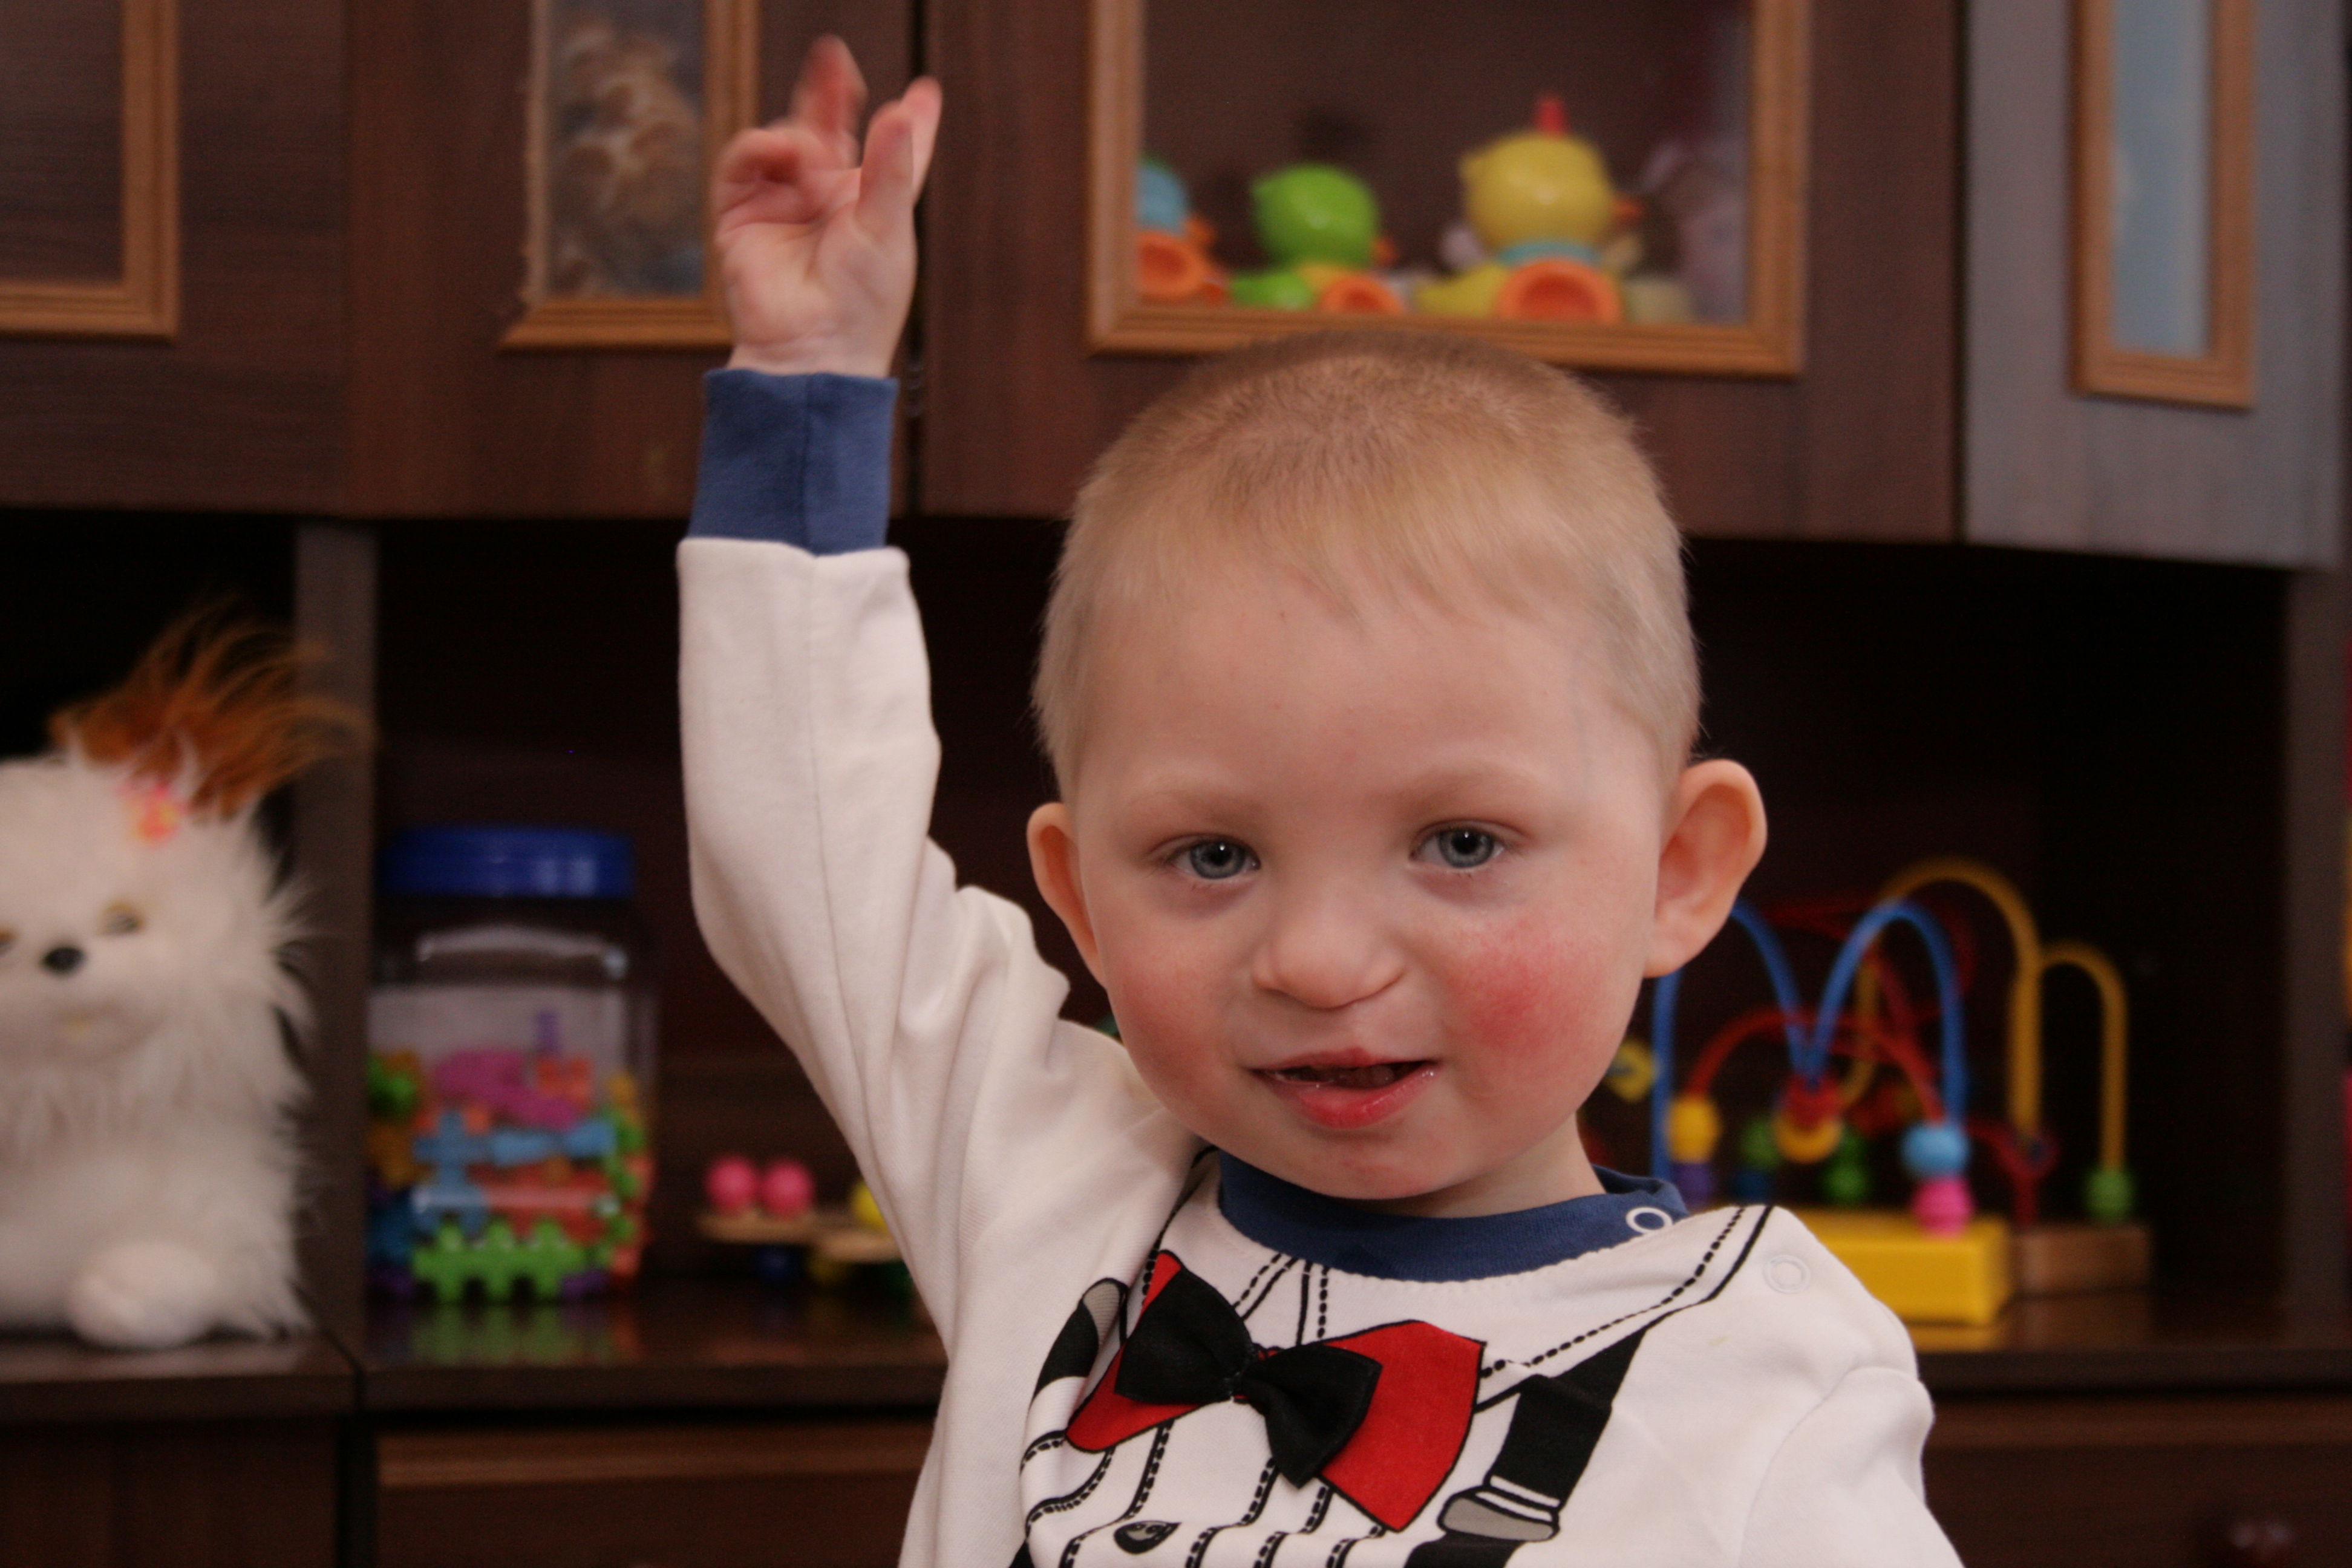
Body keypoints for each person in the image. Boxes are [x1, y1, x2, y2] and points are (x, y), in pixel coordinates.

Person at [681, 36, 1964, 1568]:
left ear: (1680, 870)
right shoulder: (1049, 1181)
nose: (1321, 960)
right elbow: (803, 850)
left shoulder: (1771, 1390)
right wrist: (805, 392)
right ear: (1081, 896)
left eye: (1461, 844)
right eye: (1213, 855)